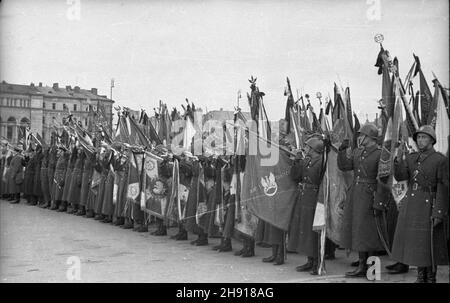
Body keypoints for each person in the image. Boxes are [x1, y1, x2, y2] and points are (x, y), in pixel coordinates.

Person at [391, 125, 449, 283]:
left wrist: (439, 212)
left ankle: (430, 277)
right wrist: (399, 159)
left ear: (432, 140)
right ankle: (420, 276)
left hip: (428, 203)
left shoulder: (440, 160)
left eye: (424, 137)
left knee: (428, 243)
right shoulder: (411, 158)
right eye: (419, 137)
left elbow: (443, 188)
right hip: (412, 203)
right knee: (416, 243)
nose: (420, 140)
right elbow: (401, 176)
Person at [337, 123, 387, 278]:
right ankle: (361, 265)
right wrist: (342, 150)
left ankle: (372, 269)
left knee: (370, 233)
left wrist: (379, 202)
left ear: (370, 137)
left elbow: (383, 180)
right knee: (359, 231)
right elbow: (345, 166)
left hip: (370, 195)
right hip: (357, 195)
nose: (359, 137)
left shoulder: (381, 154)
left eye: (362, 135)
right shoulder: (358, 152)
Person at [289, 136, 325, 275]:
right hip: (305, 197)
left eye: (308, 147)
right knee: (305, 229)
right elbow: (295, 176)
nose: (306, 149)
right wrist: (297, 161)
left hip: (315, 198)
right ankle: (310, 260)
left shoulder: (321, 161)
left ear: (315, 149)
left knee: (314, 231)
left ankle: (317, 262)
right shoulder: (307, 160)